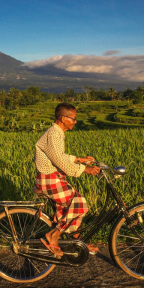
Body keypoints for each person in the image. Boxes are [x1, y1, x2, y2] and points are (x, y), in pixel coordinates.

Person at [35, 102, 100, 257]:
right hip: (49, 179)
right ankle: (53, 236)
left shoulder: (57, 132)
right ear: (63, 118)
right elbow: (60, 161)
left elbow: (59, 156)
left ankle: (78, 242)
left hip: (53, 178)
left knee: (71, 208)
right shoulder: (54, 133)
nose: (75, 122)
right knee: (80, 204)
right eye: (73, 119)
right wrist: (85, 169)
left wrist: (80, 159)